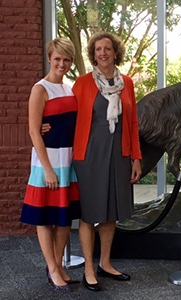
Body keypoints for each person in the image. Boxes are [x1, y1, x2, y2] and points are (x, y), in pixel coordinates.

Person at [72, 32, 142, 292]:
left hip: (119, 156)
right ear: (93, 54)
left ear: (115, 53)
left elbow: (133, 123)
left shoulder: (127, 83)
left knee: (111, 211)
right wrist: (46, 127)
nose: (103, 53)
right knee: (90, 214)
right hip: (90, 156)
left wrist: (136, 157)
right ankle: (89, 269)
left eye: (107, 49)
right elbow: (67, 115)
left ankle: (106, 263)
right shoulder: (82, 83)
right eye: (98, 49)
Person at [20, 38, 80, 291]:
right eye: (57, 59)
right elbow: (34, 132)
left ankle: (57, 265)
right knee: (44, 217)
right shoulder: (40, 89)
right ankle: (53, 268)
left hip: (68, 160)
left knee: (64, 218)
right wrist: (47, 169)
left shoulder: (69, 90)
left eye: (67, 59)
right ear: (49, 58)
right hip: (48, 162)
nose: (62, 64)